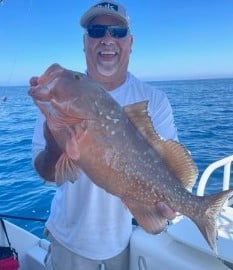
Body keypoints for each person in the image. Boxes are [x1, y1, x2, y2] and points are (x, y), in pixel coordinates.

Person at [31, 1, 178, 269]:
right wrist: (55, 147)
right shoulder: (58, 101)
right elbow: (45, 172)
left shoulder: (154, 101)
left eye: (117, 32)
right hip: (68, 243)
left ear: (130, 42)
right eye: (97, 31)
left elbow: (173, 170)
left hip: (121, 245)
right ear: (85, 43)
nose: (107, 39)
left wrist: (174, 203)